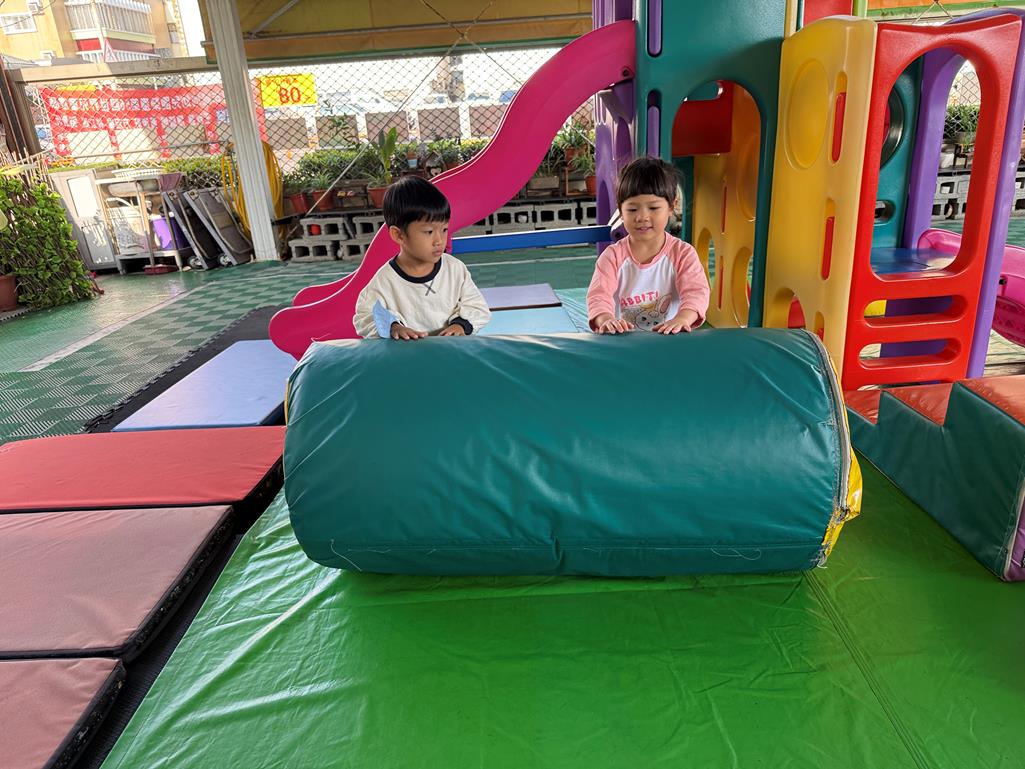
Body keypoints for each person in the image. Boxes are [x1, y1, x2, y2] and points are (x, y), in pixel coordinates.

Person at [354, 176, 490, 339]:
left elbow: (477, 306)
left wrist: (460, 325)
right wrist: (393, 327)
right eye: (429, 232)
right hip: (410, 353)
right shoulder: (385, 281)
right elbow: (364, 318)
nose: (439, 240)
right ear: (399, 235)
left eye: (444, 230)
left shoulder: (455, 269)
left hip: (452, 350)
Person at [586, 156, 710, 335]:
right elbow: (599, 295)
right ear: (621, 210)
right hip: (625, 340)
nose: (642, 217)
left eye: (653, 208)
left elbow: (696, 292)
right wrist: (606, 319)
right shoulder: (612, 256)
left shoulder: (683, 254)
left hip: (668, 339)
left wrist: (683, 319)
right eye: (632, 209)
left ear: (671, 206)